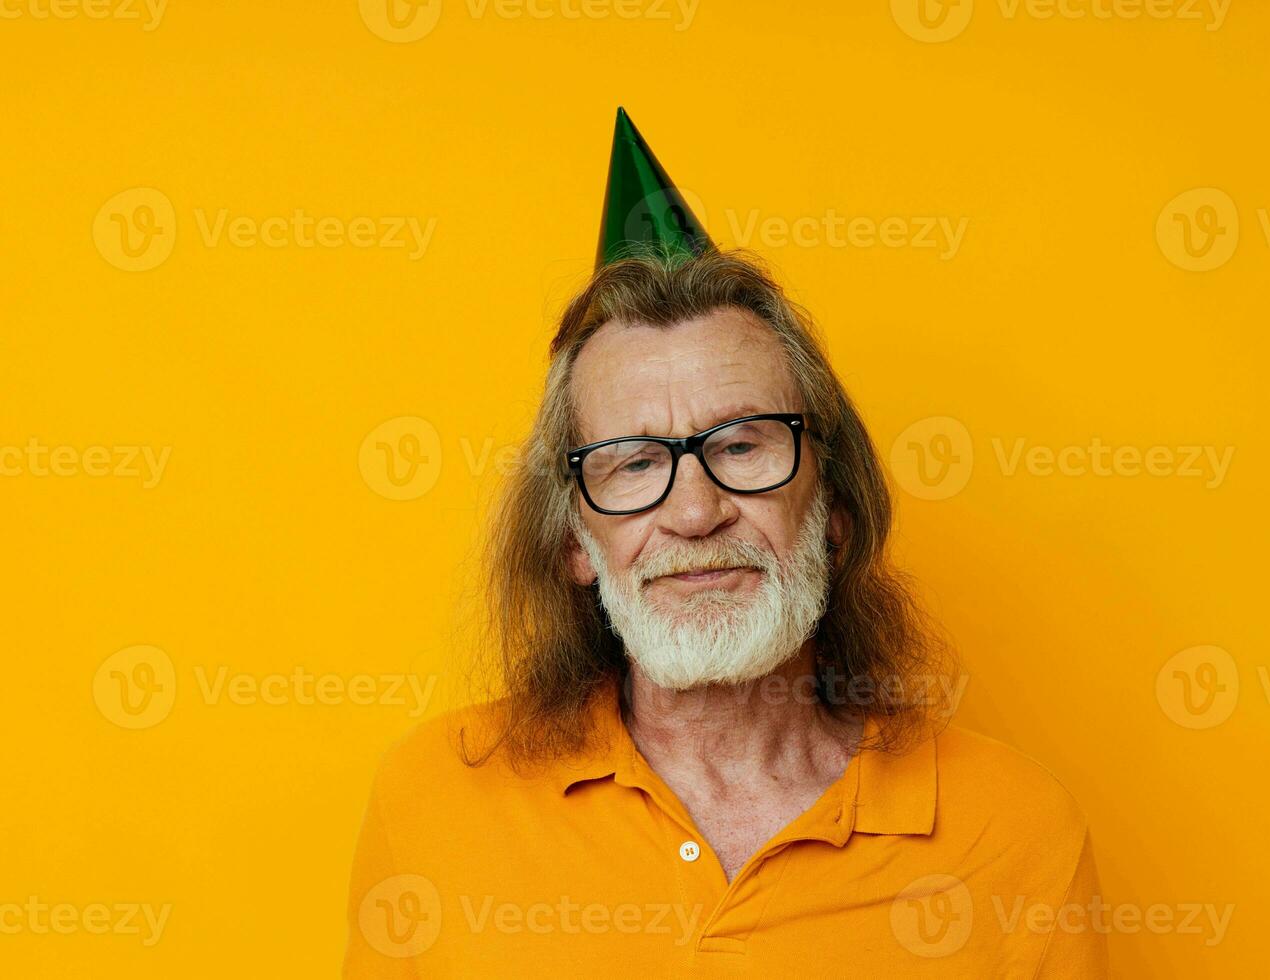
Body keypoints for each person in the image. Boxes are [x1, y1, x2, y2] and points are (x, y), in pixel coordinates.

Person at [343, 109, 1108, 977]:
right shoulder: (434, 803)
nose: (696, 511)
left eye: (742, 445)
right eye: (633, 464)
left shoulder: (1014, 831)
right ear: (573, 543)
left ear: (834, 509)